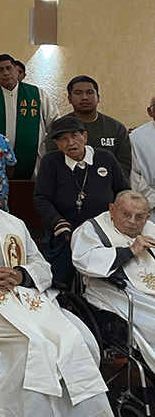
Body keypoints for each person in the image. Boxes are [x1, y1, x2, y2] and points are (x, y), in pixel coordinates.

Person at [0, 177, 111, 417]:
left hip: (25, 296)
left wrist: (21, 275)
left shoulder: (14, 224)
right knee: (34, 345)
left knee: (73, 339)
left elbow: (41, 265)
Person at [35, 115, 128, 287]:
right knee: (58, 281)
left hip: (102, 232)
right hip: (63, 231)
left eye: (74, 136)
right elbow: (42, 198)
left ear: (84, 136)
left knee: (104, 280)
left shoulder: (105, 158)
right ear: (56, 143)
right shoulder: (51, 162)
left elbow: (123, 193)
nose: (70, 143)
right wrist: (57, 222)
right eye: (63, 139)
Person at [71, 190, 155, 374]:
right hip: (115, 289)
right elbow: (84, 261)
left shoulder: (151, 228)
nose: (133, 222)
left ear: (147, 216)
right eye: (126, 214)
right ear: (112, 209)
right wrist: (129, 251)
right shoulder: (92, 229)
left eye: (140, 217)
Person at [0, 53, 60, 179]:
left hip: (34, 162)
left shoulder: (37, 94)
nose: (6, 73)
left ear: (16, 70)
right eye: (0, 70)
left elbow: (55, 123)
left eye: (9, 68)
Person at [45, 75, 132, 180]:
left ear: (98, 97)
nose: (84, 97)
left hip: (107, 188)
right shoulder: (58, 129)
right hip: (68, 186)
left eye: (90, 92)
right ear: (69, 99)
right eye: (78, 93)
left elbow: (124, 164)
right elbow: (52, 162)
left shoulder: (116, 128)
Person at [131, 95, 155, 213]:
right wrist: (153, 201)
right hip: (151, 208)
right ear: (150, 112)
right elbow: (134, 176)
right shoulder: (136, 138)